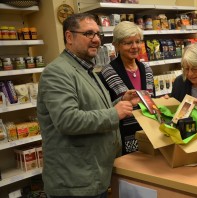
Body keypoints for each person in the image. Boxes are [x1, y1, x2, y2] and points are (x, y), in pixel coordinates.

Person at [37, 13, 139, 198]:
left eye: (98, 34)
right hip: (74, 183)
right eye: (89, 34)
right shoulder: (57, 72)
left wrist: (121, 102)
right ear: (69, 37)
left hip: (91, 176)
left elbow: (92, 109)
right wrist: (114, 113)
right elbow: (67, 120)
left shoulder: (87, 69)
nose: (96, 40)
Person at [99, 21, 154, 155]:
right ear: (116, 45)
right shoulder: (107, 73)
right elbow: (102, 109)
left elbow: (152, 101)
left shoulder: (146, 69)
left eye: (137, 41)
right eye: (128, 43)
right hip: (120, 139)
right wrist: (123, 101)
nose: (135, 46)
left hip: (148, 135)